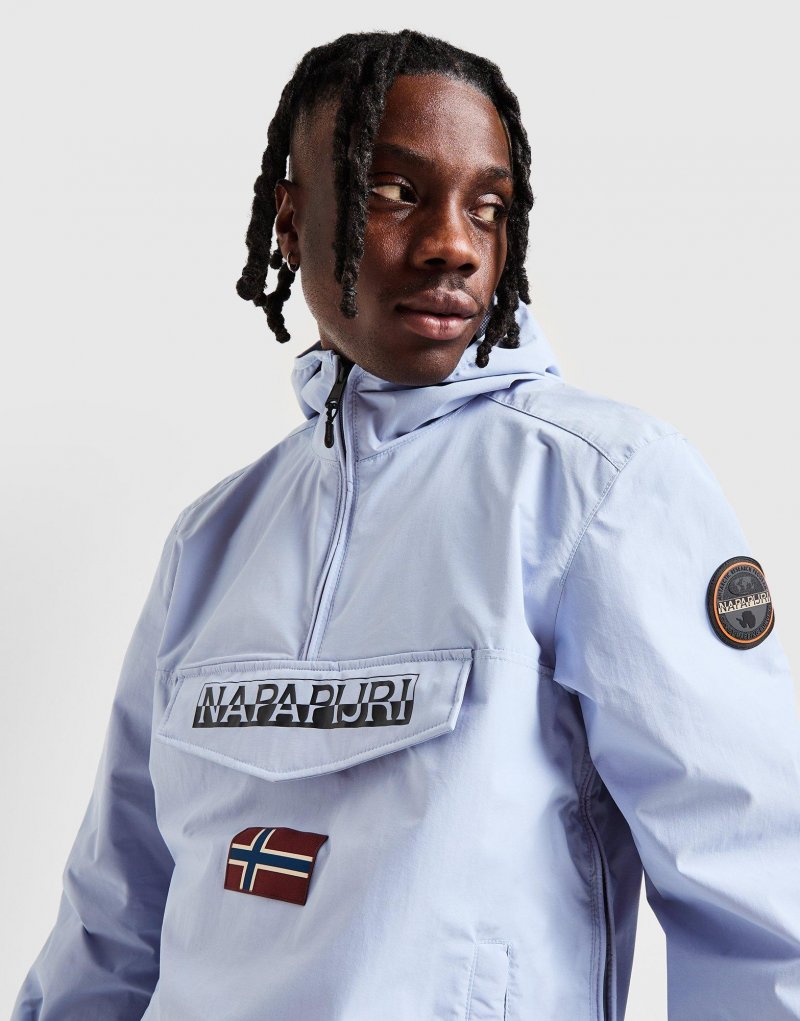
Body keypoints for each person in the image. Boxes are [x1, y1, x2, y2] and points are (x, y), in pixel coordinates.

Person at [12, 27, 800, 1021]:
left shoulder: (603, 489)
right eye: (394, 191)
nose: (453, 245)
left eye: (487, 208)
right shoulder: (210, 541)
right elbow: (113, 922)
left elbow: (757, 899)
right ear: (289, 221)